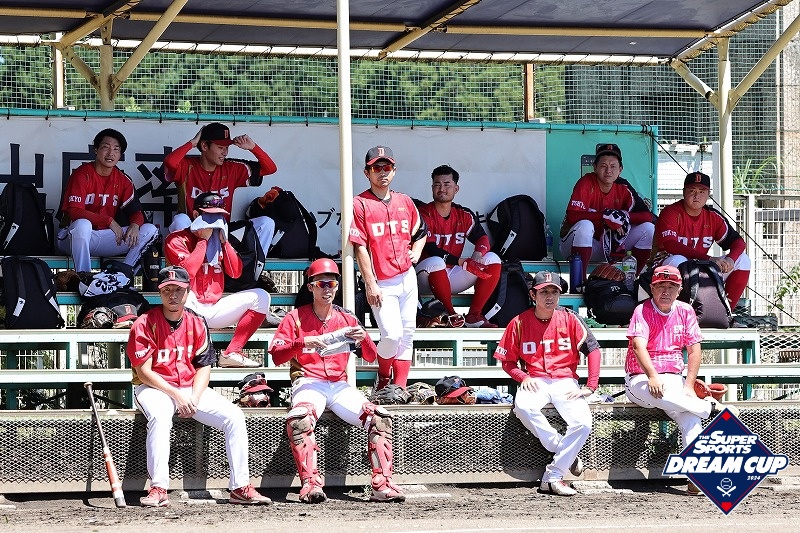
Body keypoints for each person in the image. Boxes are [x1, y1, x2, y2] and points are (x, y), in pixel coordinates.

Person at [127, 265, 271, 507]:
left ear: (188, 292)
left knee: (234, 416)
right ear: (159, 292)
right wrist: (176, 395)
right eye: (167, 290)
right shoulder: (144, 322)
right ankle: (159, 488)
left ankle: (240, 487)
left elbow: (204, 367)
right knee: (160, 417)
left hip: (188, 387)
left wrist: (194, 396)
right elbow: (144, 372)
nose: (173, 295)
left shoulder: (196, 321)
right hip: (153, 388)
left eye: (178, 290)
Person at [269, 258, 405, 504]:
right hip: (308, 381)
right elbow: (277, 356)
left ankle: (382, 484)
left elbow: (371, 356)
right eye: (321, 284)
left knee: (380, 418)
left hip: (340, 385)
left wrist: (364, 338)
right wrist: (302, 342)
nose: (327, 289)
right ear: (310, 287)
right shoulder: (295, 317)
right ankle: (311, 484)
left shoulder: (347, 317)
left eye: (332, 284)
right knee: (300, 420)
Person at [623, 264, 739, 495]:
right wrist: (652, 376)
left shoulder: (685, 310)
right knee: (664, 394)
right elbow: (638, 346)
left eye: (671, 286)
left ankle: (695, 478)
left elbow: (694, 350)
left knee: (691, 418)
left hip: (674, 378)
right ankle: (711, 409)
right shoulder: (642, 310)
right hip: (641, 378)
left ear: (679, 290)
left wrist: (688, 386)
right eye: (660, 286)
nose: (665, 291)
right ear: (652, 289)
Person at [493, 271, 600, 496]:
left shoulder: (570, 318)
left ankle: (552, 476)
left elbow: (593, 349)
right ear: (533, 294)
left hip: (565, 380)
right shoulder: (518, 322)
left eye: (554, 291)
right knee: (524, 407)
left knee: (583, 424)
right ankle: (563, 452)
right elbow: (507, 362)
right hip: (535, 378)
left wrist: (590, 386)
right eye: (543, 292)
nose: (549, 296)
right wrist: (523, 377)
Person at [348, 146, 427, 391]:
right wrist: (370, 283)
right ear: (367, 172)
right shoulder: (359, 203)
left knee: (407, 334)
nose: (382, 172)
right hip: (381, 281)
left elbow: (421, 232)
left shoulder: (405, 201)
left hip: (407, 276)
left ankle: (399, 387)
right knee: (392, 335)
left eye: (387, 167)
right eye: (376, 168)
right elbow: (360, 247)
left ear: (394, 170)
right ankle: (383, 378)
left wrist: (417, 252)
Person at [164, 191, 270, 368]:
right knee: (181, 292)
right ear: (196, 215)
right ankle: (185, 356)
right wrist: (202, 241)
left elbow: (236, 272)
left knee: (262, 297)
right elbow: (187, 273)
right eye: (210, 216)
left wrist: (224, 243)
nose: (216, 222)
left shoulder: (220, 240)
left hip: (214, 308)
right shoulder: (177, 239)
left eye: (220, 216)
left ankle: (232, 352)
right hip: (187, 308)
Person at [163, 122, 279, 256]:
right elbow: (170, 162)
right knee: (180, 220)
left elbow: (270, 169)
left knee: (266, 223)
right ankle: (185, 266)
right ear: (204, 146)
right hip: (192, 233)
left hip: (222, 234)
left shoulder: (232, 168)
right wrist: (193, 143)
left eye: (226, 147)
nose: (225, 152)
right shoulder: (186, 166)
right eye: (220, 147)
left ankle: (253, 268)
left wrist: (253, 147)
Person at [56, 128, 159, 273]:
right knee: (83, 225)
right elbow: (74, 211)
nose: (111, 153)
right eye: (106, 147)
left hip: (106, 238)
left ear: (120, 155)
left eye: (116, 149)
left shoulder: (123, 180)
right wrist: (109, 221)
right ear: (95, 150)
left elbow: (136, 212)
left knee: (150, 230)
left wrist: (135, 225)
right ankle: (84, 276)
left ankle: (123, 274)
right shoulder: (82, 174)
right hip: (74, 238)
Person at [415, 165, 502, 328]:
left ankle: (474, 315)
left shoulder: (463, 214)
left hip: (451, 275)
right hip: (424, 276)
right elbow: (431, 249)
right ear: (432, 187)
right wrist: (461, 261)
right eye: (437, 184)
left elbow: (483, 238)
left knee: (492, 259)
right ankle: (451, 314)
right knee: (436, 262)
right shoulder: (423, 213)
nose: (441, 189)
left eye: (446, 184)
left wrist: (478, 253)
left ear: (456, 188)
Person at [653, 171, 751, 309]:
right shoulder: (671, 212)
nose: (696, 196)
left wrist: (731, 259)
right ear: (684, 192)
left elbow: (739, 242)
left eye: (702, 191)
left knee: (743, 260)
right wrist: (709, 259)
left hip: (700, 266)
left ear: (708, 194)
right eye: (692, 190)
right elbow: (671, 245)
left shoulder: (713, 216)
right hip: (666, 267)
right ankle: (678, 312)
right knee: (679, 260)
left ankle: (726, 312)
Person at [559, 143, 654, 278]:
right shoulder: (586, 182)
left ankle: (631, 281)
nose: (608, 170)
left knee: (648, 229)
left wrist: (623, 216)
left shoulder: (624, 186)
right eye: (603, 165)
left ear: (620, 169)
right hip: (574, 246)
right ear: (595, 167)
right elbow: (572, 216)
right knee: (585, 225)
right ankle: (580, 283)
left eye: (613, 166)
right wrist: (604, 216)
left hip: (608, 247)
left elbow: (647, 216)